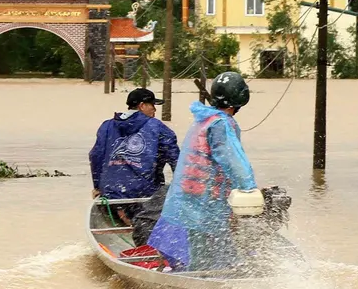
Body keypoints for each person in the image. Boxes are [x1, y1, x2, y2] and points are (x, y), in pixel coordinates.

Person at [146, 71, 260, 272]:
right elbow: (234, 161)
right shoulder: (221, 124)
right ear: (242, 99)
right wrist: (249, 188)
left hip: (184, 203)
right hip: (204, 208)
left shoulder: (203, 119)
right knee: (209, 261)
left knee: (196, 255)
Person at [89, 88, 180, 206]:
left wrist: (98, 186)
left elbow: (96, 156)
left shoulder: (107, 126)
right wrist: (182, 187)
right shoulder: (157, 127)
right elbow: (176, 159)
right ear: (142, 106)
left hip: (111, 192)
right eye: (152, 105)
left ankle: (121, 214)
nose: (155, 109)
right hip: (145, 193)